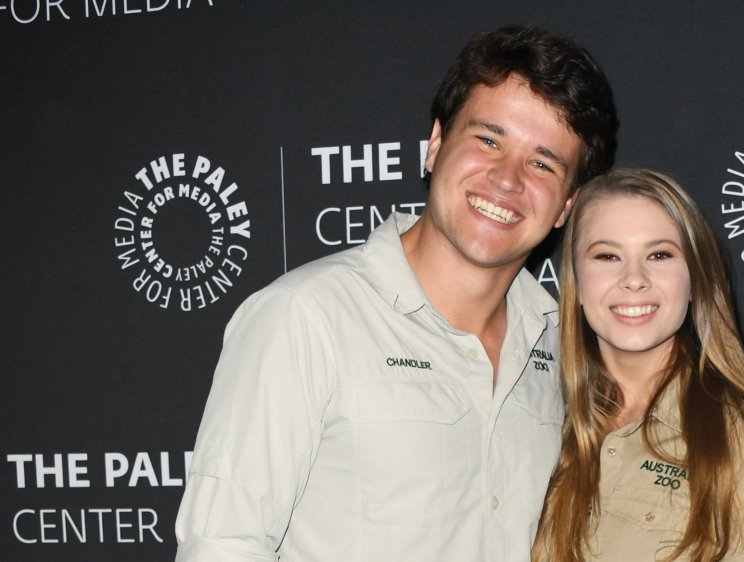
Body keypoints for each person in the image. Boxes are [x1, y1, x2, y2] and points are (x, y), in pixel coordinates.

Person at [173, 25, 618, 562]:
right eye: (488, 139)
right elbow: (223, 545)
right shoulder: (305, 318)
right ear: (435, 145)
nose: (507, 178)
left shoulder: (561, 342)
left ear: (567, 206)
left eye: (543, 163)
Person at [532, 168, 744, 562]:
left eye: (659, 255)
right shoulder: (543, 425)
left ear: (694, 278)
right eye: (607, 256)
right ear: (576, 282)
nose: (634, 279)